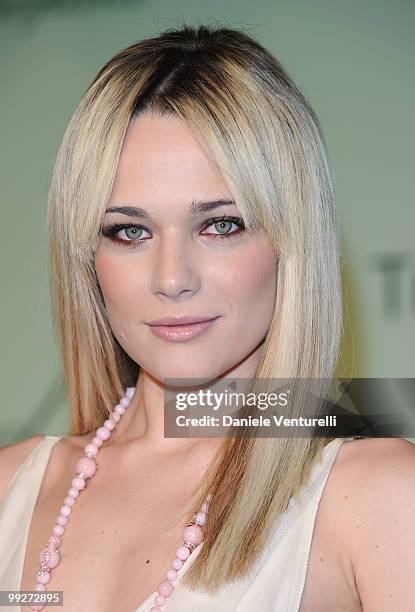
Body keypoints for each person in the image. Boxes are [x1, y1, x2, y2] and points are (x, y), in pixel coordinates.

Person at [0, 24, 414, 612]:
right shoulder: (9, 489)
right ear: (86, 256)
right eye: (130, 231)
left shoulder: (378, 497)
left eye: (220, 225)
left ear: (291, 240)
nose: (172, 278)